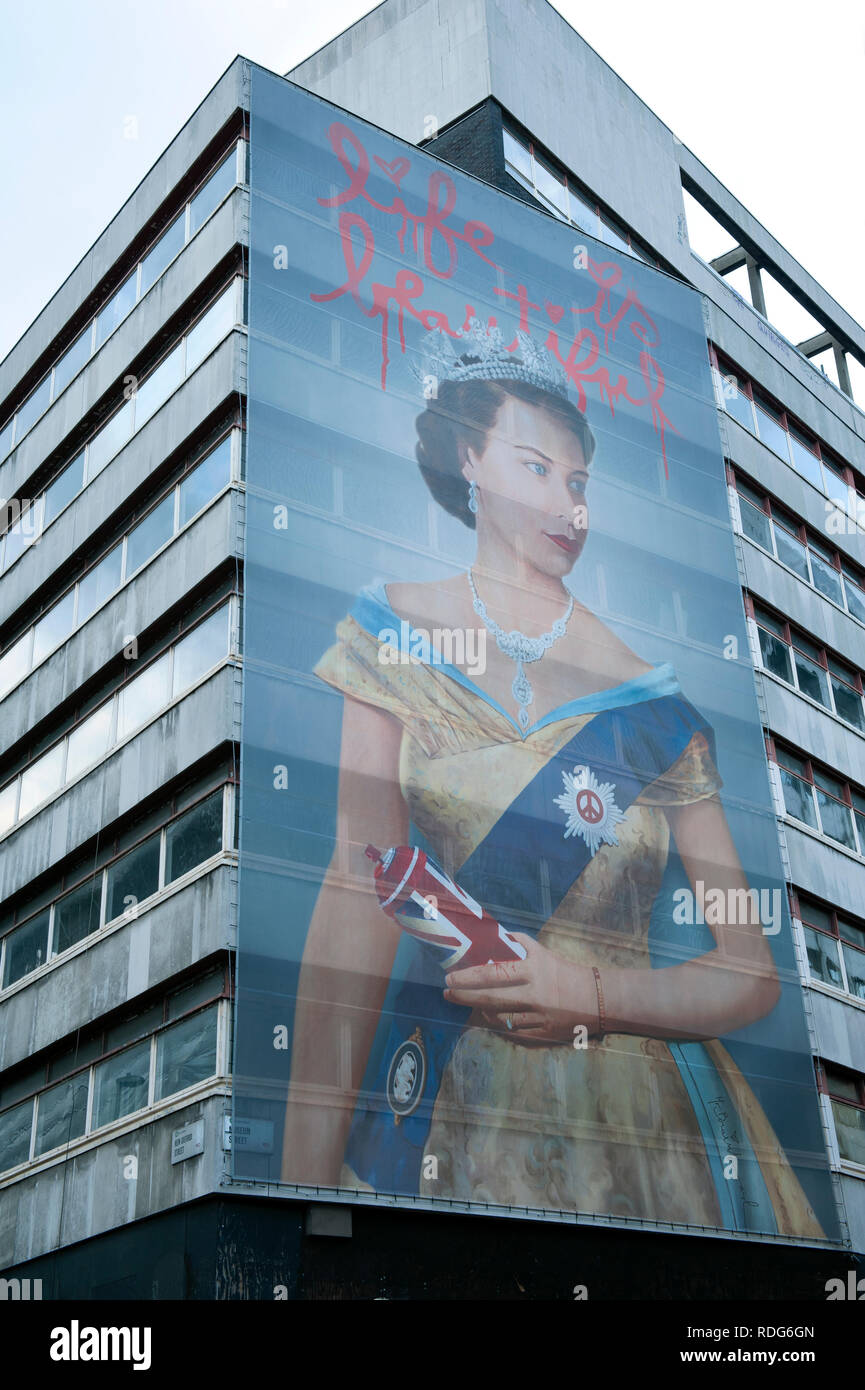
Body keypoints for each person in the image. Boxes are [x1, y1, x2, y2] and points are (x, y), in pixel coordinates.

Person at [280, 318, 823, 1236]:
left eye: (578, 483)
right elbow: (354, 888)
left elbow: (749, 973)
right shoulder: (392, 639)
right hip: (454, 1109)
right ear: (467, 459)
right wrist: (298, 1194)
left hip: (654, 1127)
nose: (569, 509)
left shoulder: (655, 707)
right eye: (535, 469)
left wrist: (596, 995)